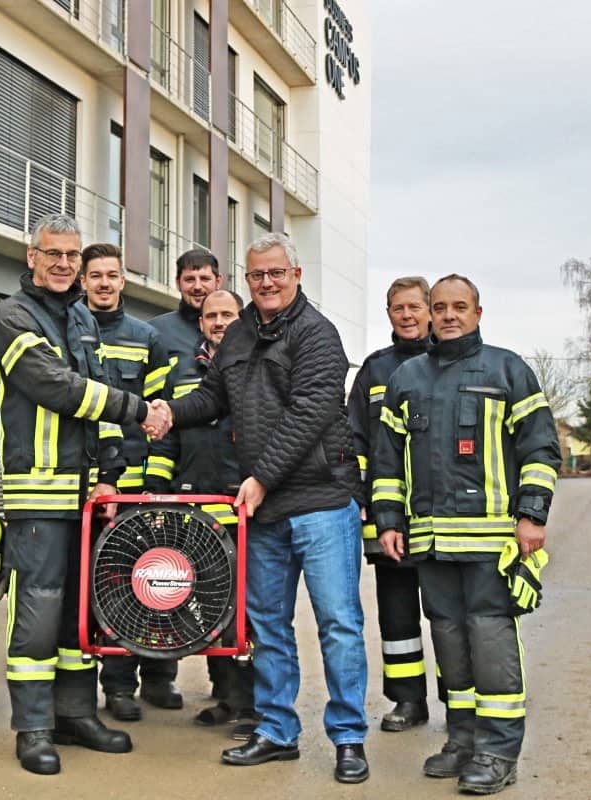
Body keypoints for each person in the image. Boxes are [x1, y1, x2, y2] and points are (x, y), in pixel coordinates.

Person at [148, 233, 371, 785]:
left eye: (276, 273)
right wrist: (171, 413)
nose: (266, 283)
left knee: (338, 624)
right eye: (256, 275)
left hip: (319, 500)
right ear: (244, 280)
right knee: (268, 626)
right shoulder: (241, 332)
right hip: (267, 510)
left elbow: (311, 412)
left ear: (296, 273)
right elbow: (214, 397)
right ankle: (276, 731)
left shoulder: (318, 334)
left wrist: (262, 478)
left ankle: (348, 738)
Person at [0, 214, 170, 776]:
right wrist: (139, 409)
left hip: (86, 497)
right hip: (37, 495)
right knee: (38, 613)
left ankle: (75, 714)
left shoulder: (83, 317)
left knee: (78, 616)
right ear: (31, 255)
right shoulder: (11, 316)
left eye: (71, 254)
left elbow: (100, 400)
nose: (65, 263)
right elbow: (58, 388)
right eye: (54, 253)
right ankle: (34, 728)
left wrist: (112, 471)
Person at [370, 274, 561, 795]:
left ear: (478, 312)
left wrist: (533, 516)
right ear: (430, 314)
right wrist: (388, 521)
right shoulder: (407, 378)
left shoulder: (508, 369)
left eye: (460, 306)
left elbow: (541, 448)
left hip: (491, 543)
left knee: (490, 639)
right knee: (449, 641)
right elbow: (387, 460)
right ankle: (462, 740)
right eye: (440, 307)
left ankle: (499, 752)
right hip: (431, 542)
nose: (448, 315)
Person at [144, 289, 257, 741]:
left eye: (228, 314)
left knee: (249, 615)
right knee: (209, 607)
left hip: (242, 510)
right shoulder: (181, 372)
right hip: (191, 510)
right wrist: (156, 494)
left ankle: (252, 707)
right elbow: (166, 440)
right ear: (201, 323)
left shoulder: (254, 367)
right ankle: (226, 698)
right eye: (211, 315)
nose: (219, 321)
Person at [79, 242, 179, 721]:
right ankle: (117, 687)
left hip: (140, 489)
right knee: (111, 586)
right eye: (94, 274)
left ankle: (159, 675)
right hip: (89, 488)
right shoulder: (68, 331)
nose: (103, 282)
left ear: (123, 280)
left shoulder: (146, 337)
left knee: (152, 582)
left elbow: (161, 418)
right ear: (83, 281)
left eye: (111, 274)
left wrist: (154, 486)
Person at [347, 276, 434, 733]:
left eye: (414, 307)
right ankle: (408, 701)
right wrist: (361, 499)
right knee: (397, 613)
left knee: (445, 612)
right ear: (389, 315)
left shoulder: (450, 363)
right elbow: (354, 438)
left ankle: (462, 702)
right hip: (387, 514)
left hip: (441, 515)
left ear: (429, 309)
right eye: (398, 308)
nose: (407, 315)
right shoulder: (374, 371)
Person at [151, 248, 224, 368]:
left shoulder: (238, 331)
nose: (197, 286)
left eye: (204, 279)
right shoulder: (156, 333)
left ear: (218, 281)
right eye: (189, 279)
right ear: (178, 283)